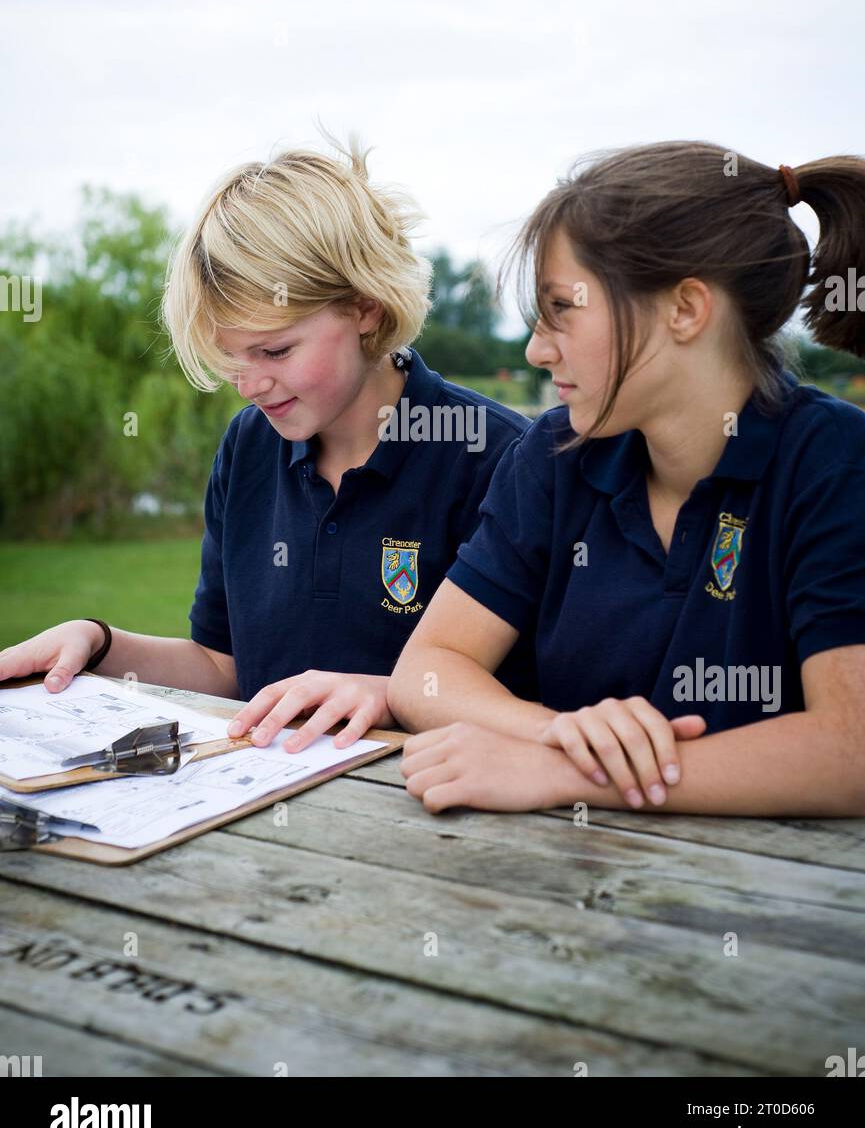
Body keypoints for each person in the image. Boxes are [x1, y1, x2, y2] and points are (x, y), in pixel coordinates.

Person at [0, 137, 536, 752]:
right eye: (230, 358)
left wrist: (390, 695)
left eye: (275, 351)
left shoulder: (498, 458)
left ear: (365, 306)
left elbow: (547, 702)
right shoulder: (249, 444)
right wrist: (98, 642)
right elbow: (222, 667)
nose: (249, 386)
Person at [389, 142, 865, 818]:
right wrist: (556, 735)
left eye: (562, 309)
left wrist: (577, 777)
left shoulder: (833, 464)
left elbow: (850, 751)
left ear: (684, 309)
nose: (535, 348)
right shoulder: (554, 456)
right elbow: (426, 669)